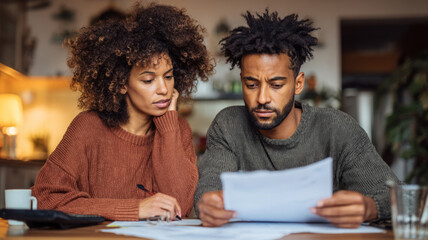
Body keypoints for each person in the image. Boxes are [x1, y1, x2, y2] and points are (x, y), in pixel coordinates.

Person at [195, 10, 399, 228]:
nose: (262, 98)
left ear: (298, 83)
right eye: (251, 84)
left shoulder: (336, 128)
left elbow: (395, 196)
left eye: (276, 85)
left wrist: (369, 207)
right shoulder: (228, 125)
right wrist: (208, 205)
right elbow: (207, 193)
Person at [32, 3, 213, 221]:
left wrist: (168, 126)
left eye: (168, 76)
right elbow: (45, 198)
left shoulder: (177, 130)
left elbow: (180, 207)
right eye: (148, 79)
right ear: (121, 83)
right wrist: (135, 209)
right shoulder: (88, 127)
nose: (164, 89)